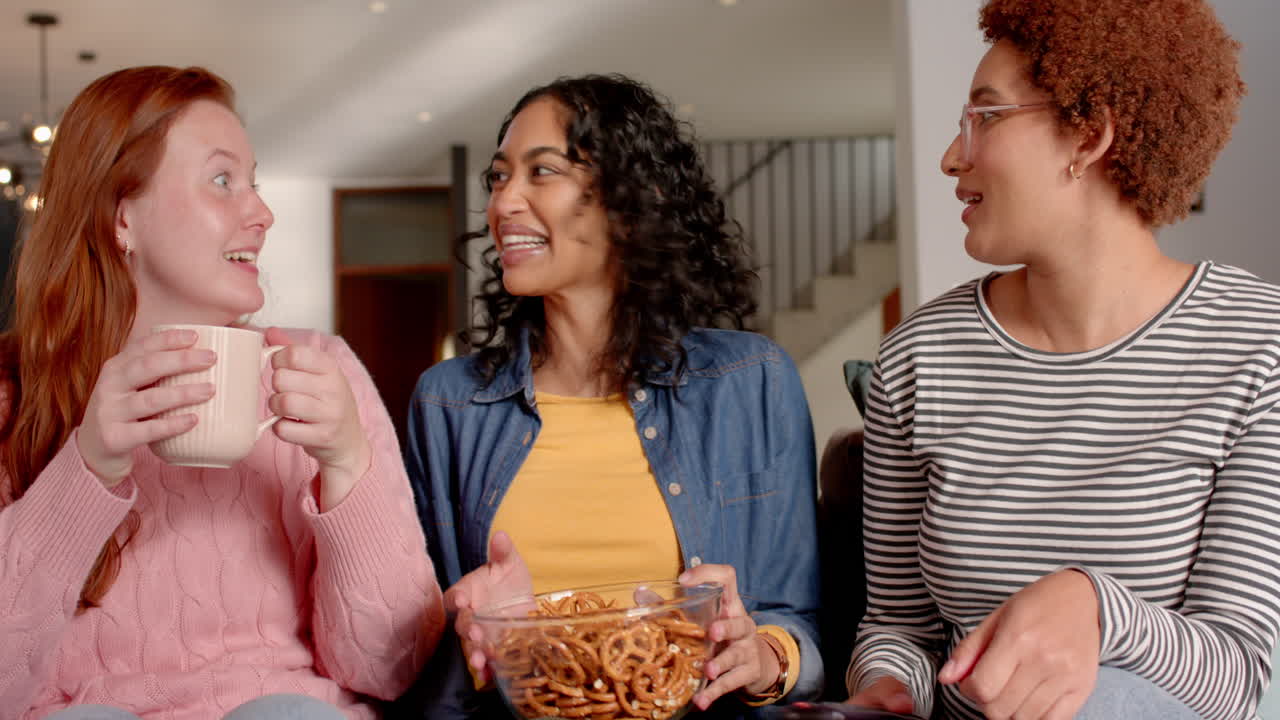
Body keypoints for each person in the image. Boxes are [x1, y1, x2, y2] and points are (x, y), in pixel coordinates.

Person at [844, 1, 1276, 719]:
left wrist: (1096, 606)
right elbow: (899, 627)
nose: (953, 157)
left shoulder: (1259, 343)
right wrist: (888, 693)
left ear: (1089, 134)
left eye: (985, 117)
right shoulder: (919, 357)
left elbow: (1234, 678)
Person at [0, 66, 444, 720]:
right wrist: (86, 465)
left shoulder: (319, 371)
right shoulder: (13, 395)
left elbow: (390, 670)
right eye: (221, 181)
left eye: (253, 182)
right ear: (123, 218)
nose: (261, 214)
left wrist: (348, 466)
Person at [400, 74, 822, 718]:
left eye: (541, 172)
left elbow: (799, 624)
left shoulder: (750, 382)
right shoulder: (449, 404)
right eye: (497, 177)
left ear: (633, 200)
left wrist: (763, 657)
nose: (504, 202)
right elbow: (406, 657)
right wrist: (470, 633)